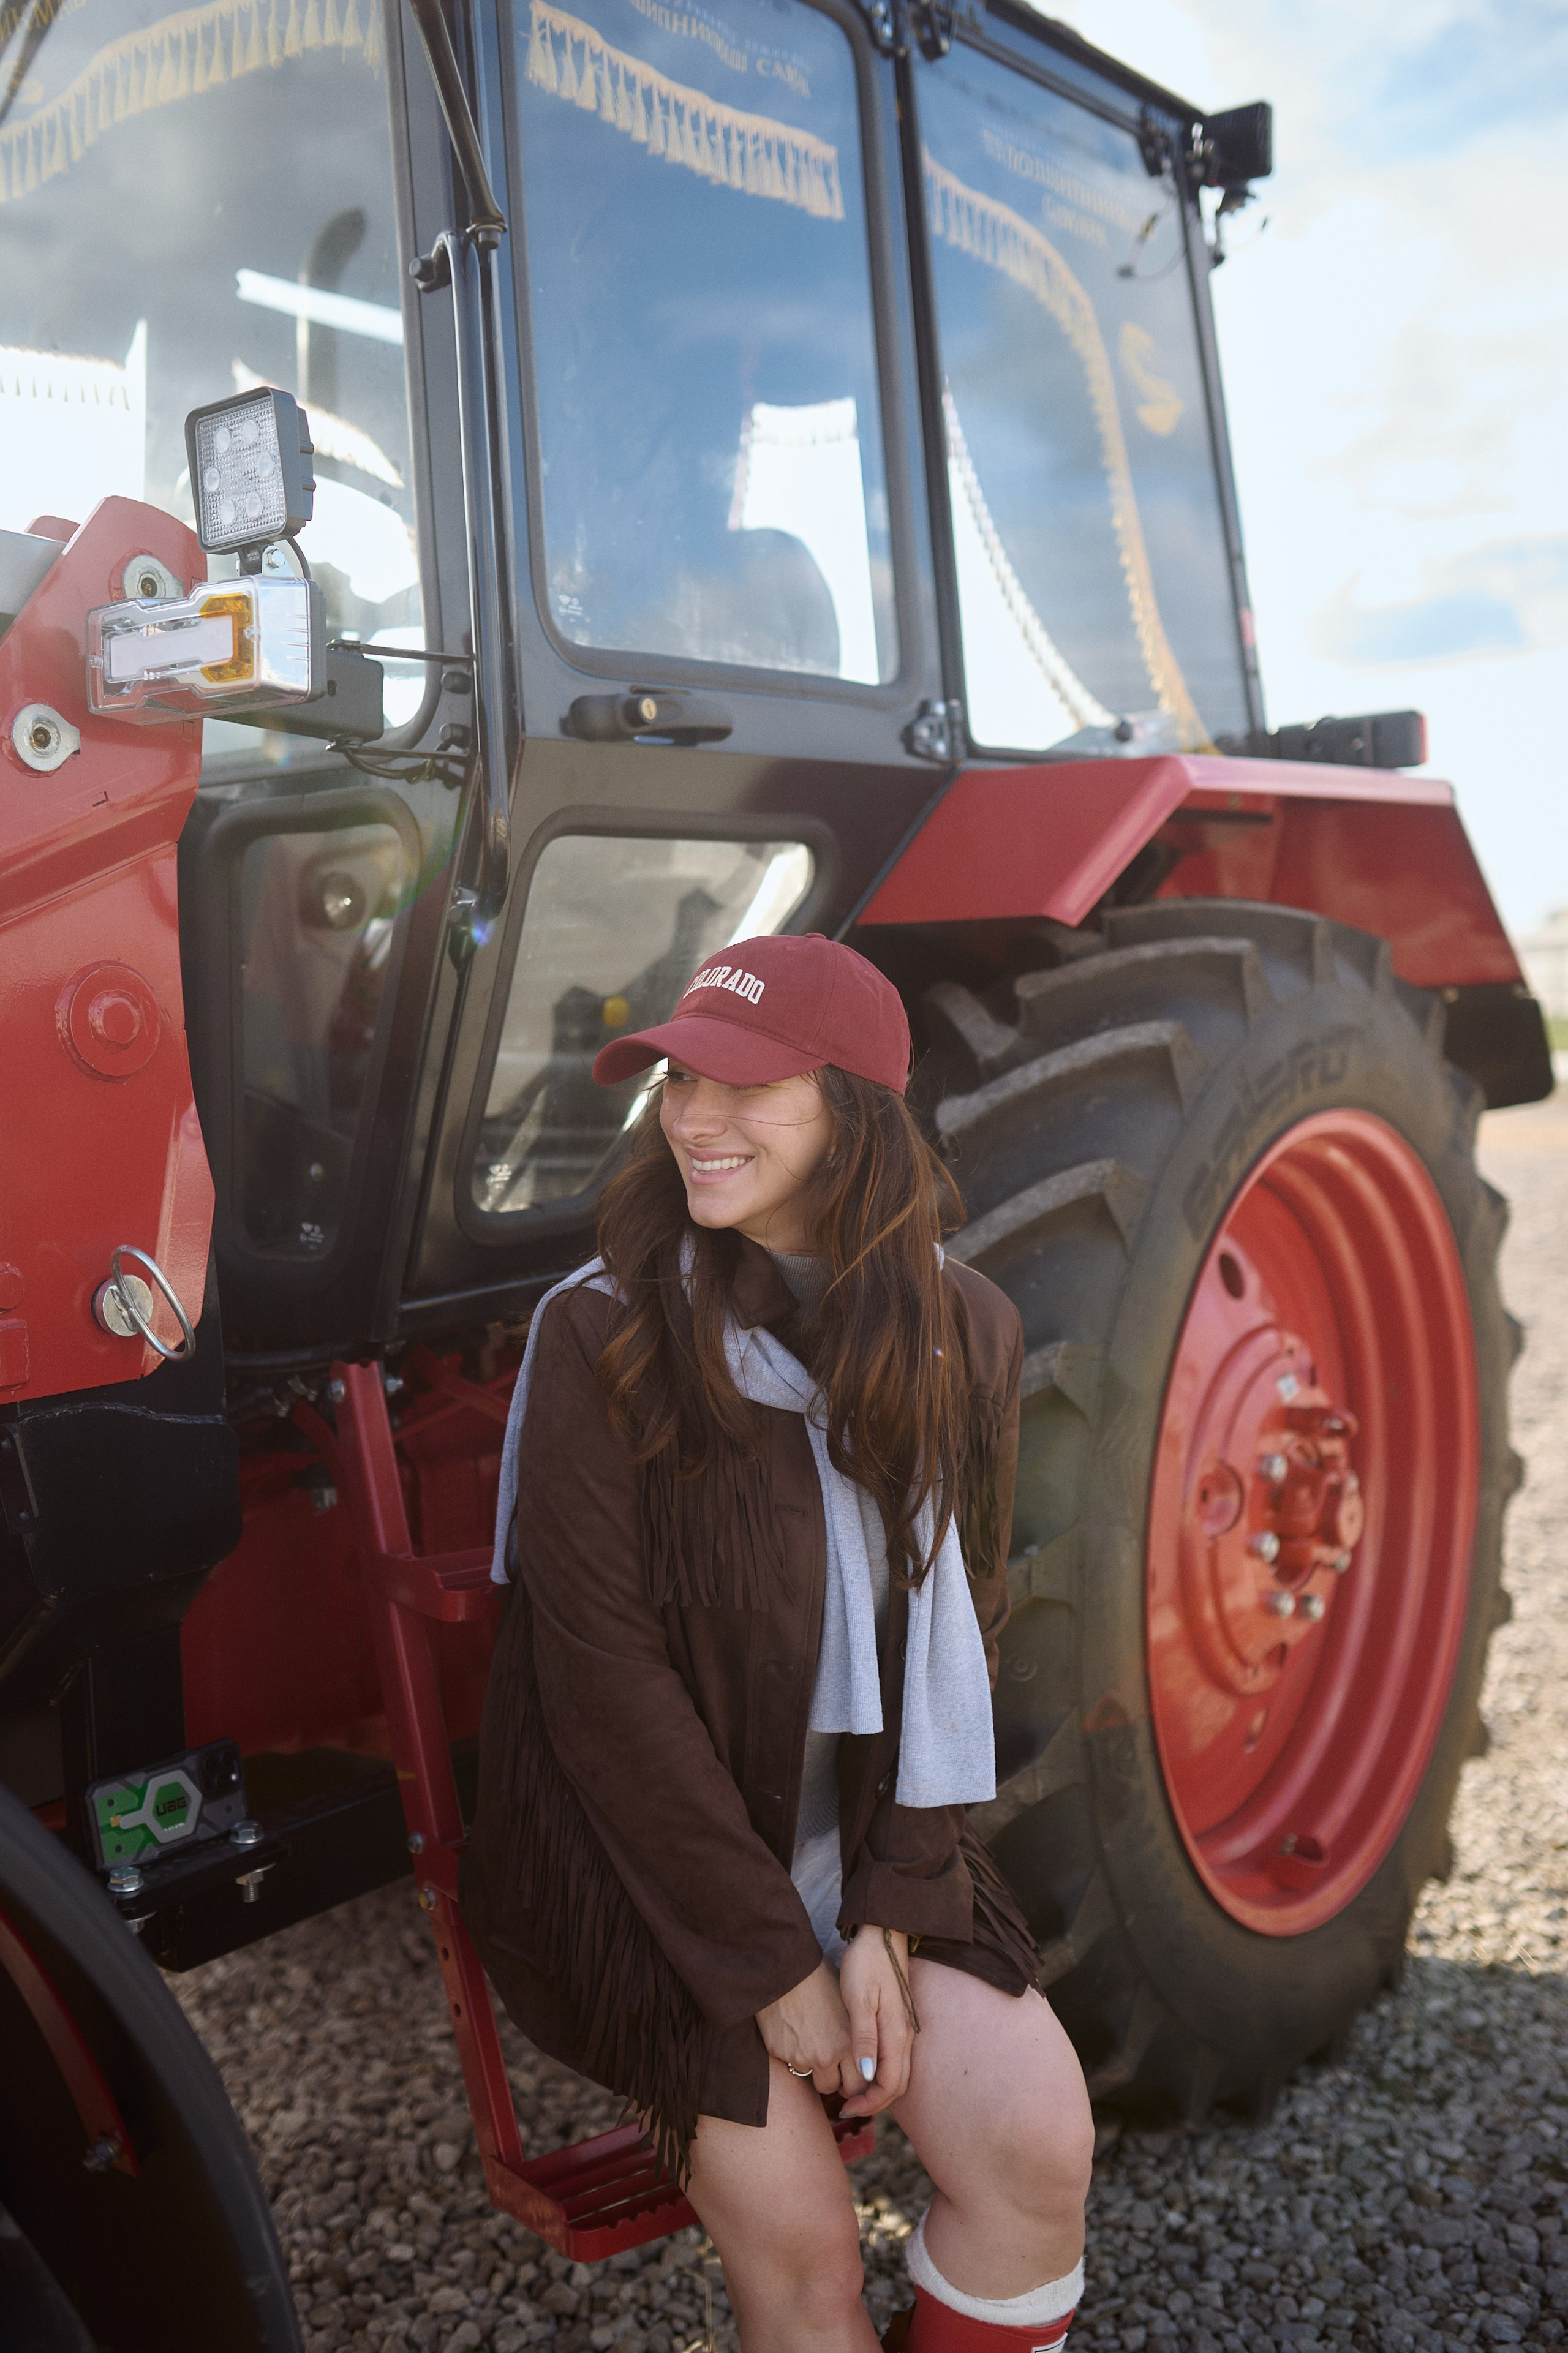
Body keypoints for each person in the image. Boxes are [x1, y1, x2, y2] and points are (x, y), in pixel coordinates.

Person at [463, 933, 1093, 2351]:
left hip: (855, 1831)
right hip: (638, 1856)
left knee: (1037, 2150)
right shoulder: (606, 1334)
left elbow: (960, 1623)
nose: (693, 1116)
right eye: (680, 1076)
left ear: (854, 1115)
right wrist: (771, 1965)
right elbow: (598, 1681)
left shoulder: (964, 1330)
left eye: (746, 1085)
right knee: (805, 2252)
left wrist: (883, 1912)